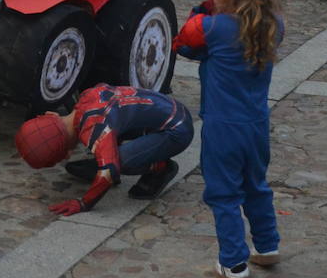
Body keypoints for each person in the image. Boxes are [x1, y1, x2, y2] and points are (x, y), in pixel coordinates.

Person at [174, 0, 283, 278]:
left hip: (222, 128)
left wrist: (203, 10)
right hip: (256, 125)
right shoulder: (274, 24)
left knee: (223, 194)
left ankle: (234, 264)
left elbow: (183, 44)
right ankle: (267, 247)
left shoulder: (212, 27)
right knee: (256, 186)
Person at [15, 83, 195, 214]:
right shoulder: (85, 98)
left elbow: (110, 169)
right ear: (52, 114)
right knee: (111, 138)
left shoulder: (94, 129)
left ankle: (160, 167)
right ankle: (103, 159)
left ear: (66, 152)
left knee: (118, 161)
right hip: (170, 109)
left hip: (176, 130)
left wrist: (83, 203)